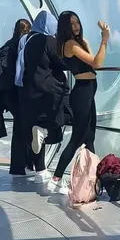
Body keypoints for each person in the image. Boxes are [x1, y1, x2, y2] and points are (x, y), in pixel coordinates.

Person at [47, 11, 110, 195]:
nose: (76, 26)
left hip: (88, 92)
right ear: (64, 27)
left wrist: (88, 43)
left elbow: (91, 63)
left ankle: (94, 181)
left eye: (77, 22)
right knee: (77, 138)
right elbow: (97, 63)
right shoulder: (70, 45)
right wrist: (104, 40)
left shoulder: (78, 43)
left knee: (89, 138)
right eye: (71, 24)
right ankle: (56, 179)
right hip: (82, 93)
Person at [18, 11, 69, 183]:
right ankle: (45, 129)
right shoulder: (48, 41)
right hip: (49, 90)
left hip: (29, 91)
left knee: (36, 127)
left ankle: (40, 171)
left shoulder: (28, 40)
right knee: (69, 113)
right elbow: (61, 62)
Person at [0, 18, 32, 177]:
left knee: (21, 127)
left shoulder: (8, 45)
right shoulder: (22, 47)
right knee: (22, 127)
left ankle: (21, 165)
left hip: (5, 93)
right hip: (13, 93)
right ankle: (21, 166)